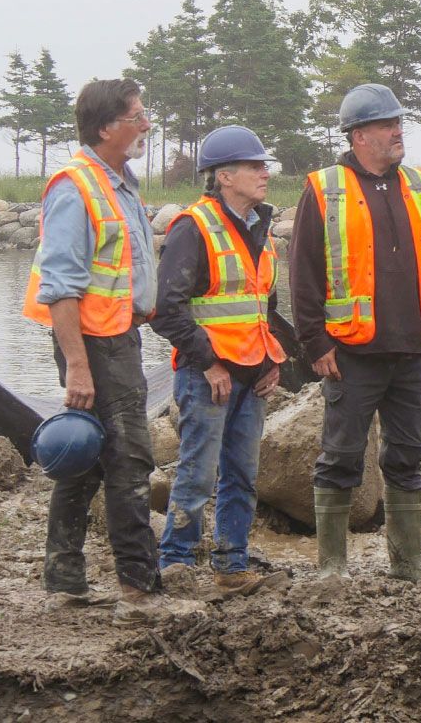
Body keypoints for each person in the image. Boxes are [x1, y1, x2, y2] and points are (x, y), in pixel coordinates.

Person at [22, 78, 197, 622]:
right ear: (106, 128)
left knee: (89, 457)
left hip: (117, 335)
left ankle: (66, 579)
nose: (146, 125)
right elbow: (59, 287)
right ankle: (140, 590)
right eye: (137, 117)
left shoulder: (119, 181)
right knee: (129, 458)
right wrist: (77, 366)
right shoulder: (76, 187)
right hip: (94, 344)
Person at [290, 83, 421, 581]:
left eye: (398, 123)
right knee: (341, 457)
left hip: (412, 351)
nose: (397, 131)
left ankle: (409, 565)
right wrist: (314, 343)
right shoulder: (324, 189)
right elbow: (303, 272)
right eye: (388, 124)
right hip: (351, 353)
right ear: (359, 134)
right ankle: (332, 568)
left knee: (408, 456)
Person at [151, 124, 295, 597]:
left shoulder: (260, 229)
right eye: (255, 166)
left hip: (252, 376)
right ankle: (174, 564)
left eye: (264, 165)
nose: (265, 173)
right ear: (225, 176)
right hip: (206, 377)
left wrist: (273, 357)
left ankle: (231, 565)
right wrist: (210, 362)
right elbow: (165, 311)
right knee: (196, 473)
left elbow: (263, 305)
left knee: (242, 476)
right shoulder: (194, 228)